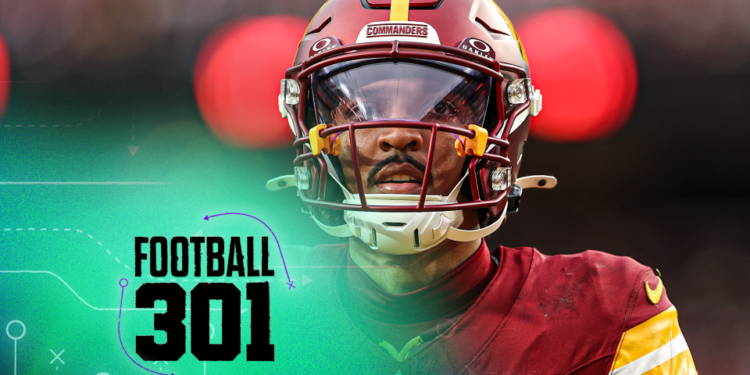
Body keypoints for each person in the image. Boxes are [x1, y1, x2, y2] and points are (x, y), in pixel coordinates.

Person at [268, 0, 698, 373]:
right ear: (315, 129)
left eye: (444, 106)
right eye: (357, 108)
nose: (397, 134)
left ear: (503, 127)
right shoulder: (248, 311)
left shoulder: (607, 319)